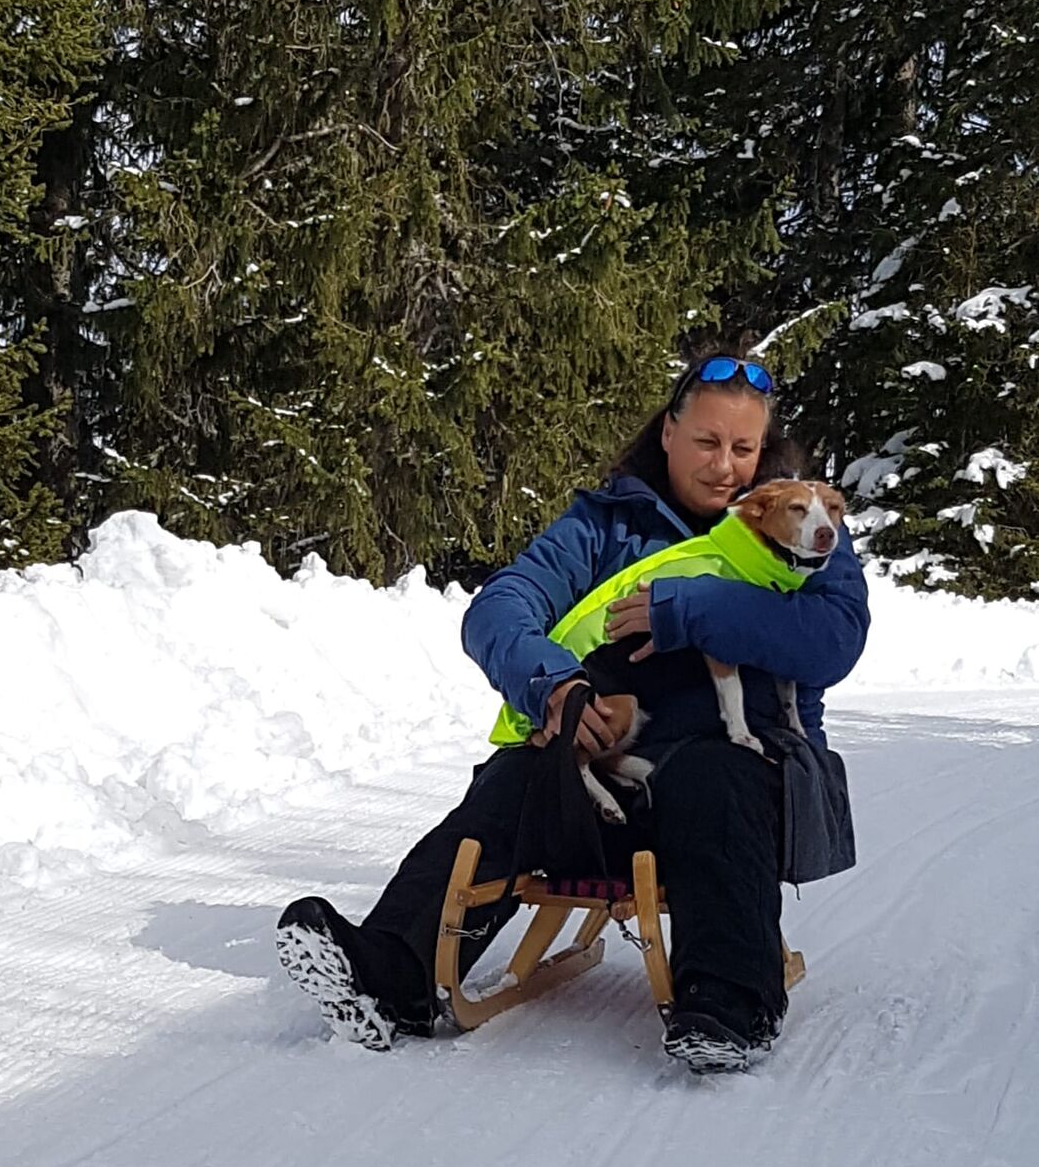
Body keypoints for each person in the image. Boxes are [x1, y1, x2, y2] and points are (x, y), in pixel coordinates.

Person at [276, 354, 870, 1072]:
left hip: (739, 782)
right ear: (668, 434)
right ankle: (388, 971)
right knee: (521, 774)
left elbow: (835, 639)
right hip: (609, 779)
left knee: (717, 776)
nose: (725, 466)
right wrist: (554, 685)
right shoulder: (606, 523)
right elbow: (501, 607)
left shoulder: (804, 523)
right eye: (707, 442)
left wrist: (690, 609)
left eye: (744, 448)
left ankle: (727, 1003)